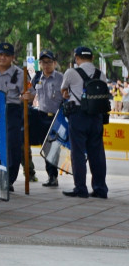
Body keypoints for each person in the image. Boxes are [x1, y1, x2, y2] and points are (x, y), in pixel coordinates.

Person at [60, 46, 108, 199]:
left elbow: (64, 91)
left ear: (77, 58)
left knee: (78, 153)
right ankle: (100, 189)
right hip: (97, 117)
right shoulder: (101, 75)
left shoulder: (71, 72)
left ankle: (81, 188)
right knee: (97, 153)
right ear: (92, 58)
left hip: (78, 115)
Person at [0, 42, 33, 191]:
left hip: (11, 111)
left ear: (12, 57)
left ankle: (9, 179)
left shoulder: (20, 74)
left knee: (11, 146)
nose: (2, 58)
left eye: (6, 55)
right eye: (0, 54)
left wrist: (27, 96)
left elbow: (31, 94)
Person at [31, 50, 63, 187]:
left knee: (54, 148)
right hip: (41, 116)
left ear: (54, 63)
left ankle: (53, 176)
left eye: (49, 62)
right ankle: (49, 175)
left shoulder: (61, 78)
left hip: (56, 118)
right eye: (43, 62)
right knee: (45, 148)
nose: (46, 65)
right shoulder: (37, 78)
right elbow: (30, 93)